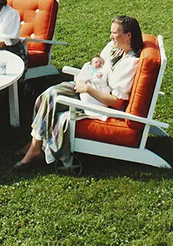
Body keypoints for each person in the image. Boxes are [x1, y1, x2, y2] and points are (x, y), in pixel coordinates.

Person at [14, 15, 144, 171]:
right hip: (87, 88)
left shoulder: (130, 63)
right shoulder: (115, 48)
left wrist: (87, 88)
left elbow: (116, 101)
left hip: (97, 101)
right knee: (46, 95)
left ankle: (35, 149)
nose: (111, 37)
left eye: (115, 33)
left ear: (128, 35)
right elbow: (96, 66)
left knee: (51, 97)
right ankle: (35, 141)